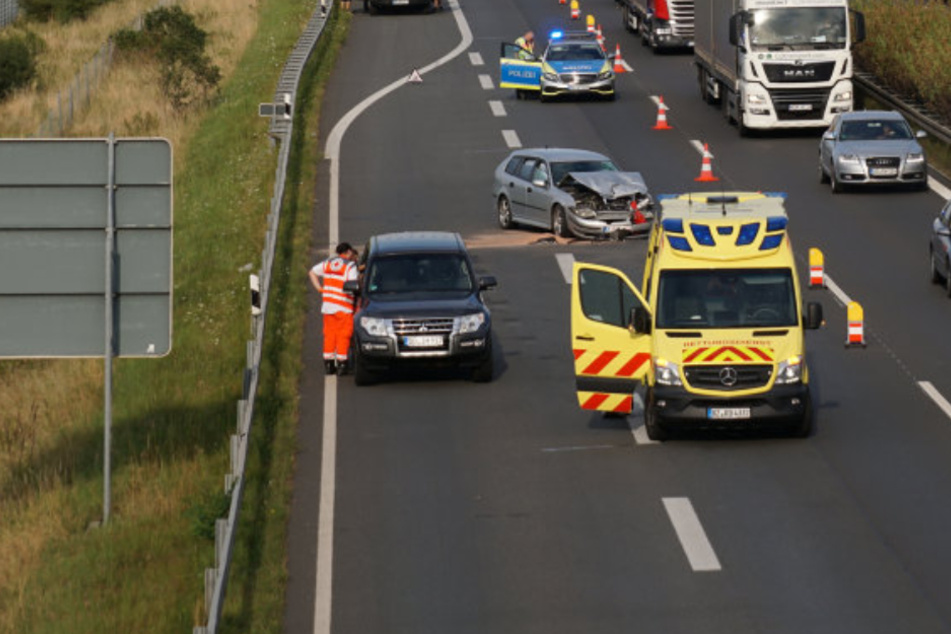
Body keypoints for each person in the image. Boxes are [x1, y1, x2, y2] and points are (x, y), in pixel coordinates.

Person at [309, 242, 359, 376]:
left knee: (329, 335)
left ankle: (329, 364)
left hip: (328, 306)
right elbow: (353, 285)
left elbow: (312, 272)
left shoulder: (329, 263)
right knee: (343, 335)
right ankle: (342, 363)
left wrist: (320, 289)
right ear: (348, 252)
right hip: (343, 306)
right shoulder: (350, 266)